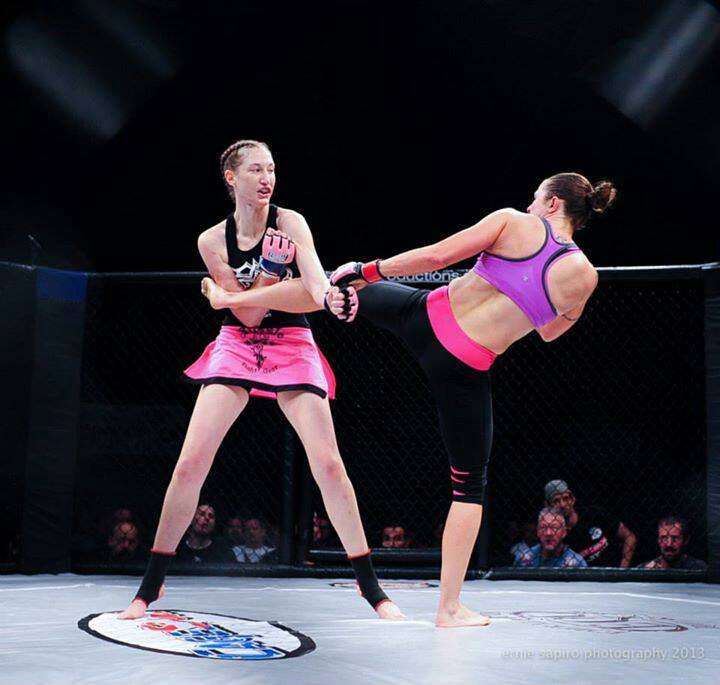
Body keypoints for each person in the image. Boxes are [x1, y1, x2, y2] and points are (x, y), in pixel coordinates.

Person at [201, 171, 616, 627]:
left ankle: (242, 307)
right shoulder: (585, 277)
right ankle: (449, 608)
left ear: (553, 203)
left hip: (425, 316)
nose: (531, 205)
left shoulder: (513, 222)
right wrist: (526, 292)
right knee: (469, 489)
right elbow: (549, 332)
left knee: (335, 288)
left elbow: (437, 255)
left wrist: (368, 271)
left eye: (536, 199)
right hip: (465, 366)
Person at [119, 140, 402, 620]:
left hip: (292, 340)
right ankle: (151, 585)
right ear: (232, 178)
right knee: (190, 464)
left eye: (271, 169)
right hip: (237, 341)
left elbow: (313, 283)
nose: (267, 178)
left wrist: (328, 298)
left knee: (329, 464)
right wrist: (269, 277)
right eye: (255, 170)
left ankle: (371, 588)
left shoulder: (291, 222)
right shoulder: (212, 240)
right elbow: (249, 317)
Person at [544, 479, 637, 567]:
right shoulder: (552, 534)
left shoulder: (594, 514)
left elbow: (629, 537)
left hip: (616, 568)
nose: (562, 504)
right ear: (547, 505)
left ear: (573, 499)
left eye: (565, 498)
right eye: (556, 501)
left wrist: (622, 569)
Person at [513, 508, 586, 568]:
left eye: (554, 528)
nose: (548, 533)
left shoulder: (577, 563)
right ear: (538, 532)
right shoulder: (524, 560)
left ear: (564, 532)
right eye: (543, 527)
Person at [637, 516, 707, 570]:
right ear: (658, 540)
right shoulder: (645, 568)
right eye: (664, 538)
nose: (669, 544)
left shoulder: (699, 568)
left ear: (685, 540)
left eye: (675, 538)